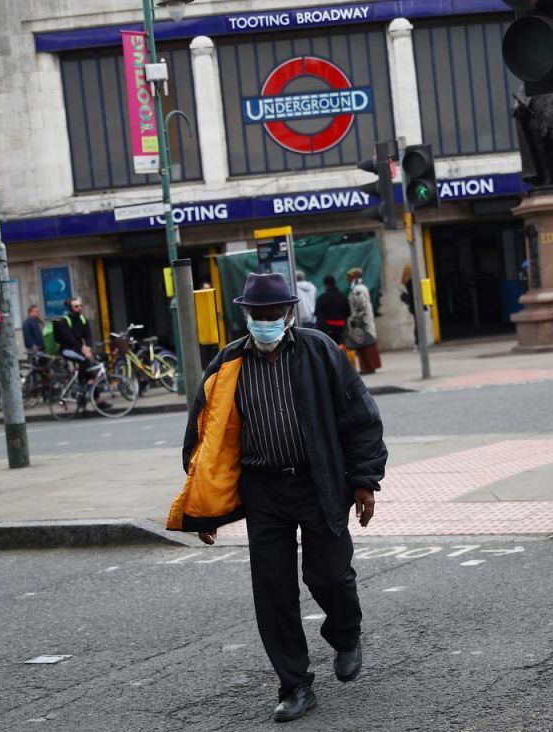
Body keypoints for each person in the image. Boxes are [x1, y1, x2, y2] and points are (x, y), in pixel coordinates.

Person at [166, 272, 387, 723]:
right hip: (263, 489)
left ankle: (346, 633)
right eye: (257, 314)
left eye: (273, 314)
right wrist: (205, 509)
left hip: (317, 481)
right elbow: (205, 439)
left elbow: (360, 418)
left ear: (288, 313)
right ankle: (294, 684)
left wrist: (364, 481)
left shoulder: (319, 350)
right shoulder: (227, 364)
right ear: (246, 315)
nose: (265, 321)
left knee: (330, 575)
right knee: (272, 590)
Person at [53, 298, 107, 408]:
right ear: (71, 308)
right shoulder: (65, 321)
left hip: (78, 349)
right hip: (67, 350)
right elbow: (70, 339)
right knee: (84, 361)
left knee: (90, 371)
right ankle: (82, 385)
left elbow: (88, 335)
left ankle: (95, 398)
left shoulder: (83, 319)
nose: (79, 308)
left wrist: (89, 347)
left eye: (80, 306)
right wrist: (83, 349)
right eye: (76, 306)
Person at [345, 267, 381, 375]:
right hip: (363, 320)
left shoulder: (358, 290)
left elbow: (361, 305)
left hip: (362, 322)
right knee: (363, 344)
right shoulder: (360, 288)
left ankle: (368, 367)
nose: (347, 280)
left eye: (349, 278)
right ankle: (368, 367)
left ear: (354, 278)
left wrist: (355, 319)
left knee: (365, 344)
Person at [314, 275, 349, 345]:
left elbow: (319, 315)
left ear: (326, 285)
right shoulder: (343, 297)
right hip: (342, 329)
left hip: (328, 331)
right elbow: (348, 313)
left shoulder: (322, 298)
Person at [399, 262, 419, 347]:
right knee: (418, 324)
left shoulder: (407, 281)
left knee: (417, 323)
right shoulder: (412, 281)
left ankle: (417, 343)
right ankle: (417, 343)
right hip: (416, 304)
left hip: (412, 304)